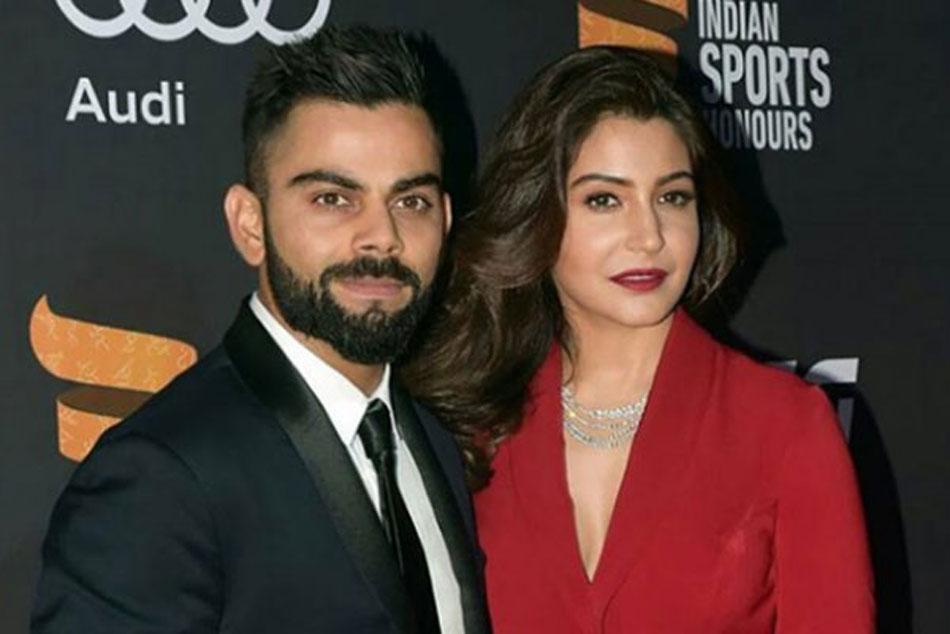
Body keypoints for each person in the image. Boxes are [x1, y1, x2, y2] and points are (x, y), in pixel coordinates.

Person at [32, 26, 488, 634]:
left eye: (411, 202)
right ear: (250, 224)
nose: (382, 237)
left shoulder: (431, 442)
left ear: (446, 220)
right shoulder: (161, 479)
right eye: (333, 199)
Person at [405, 46, 874, 632]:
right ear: (536, 210)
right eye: (605, 200)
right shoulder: (468, 425)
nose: (649, 236)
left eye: (672, 197)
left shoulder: (784, 425)